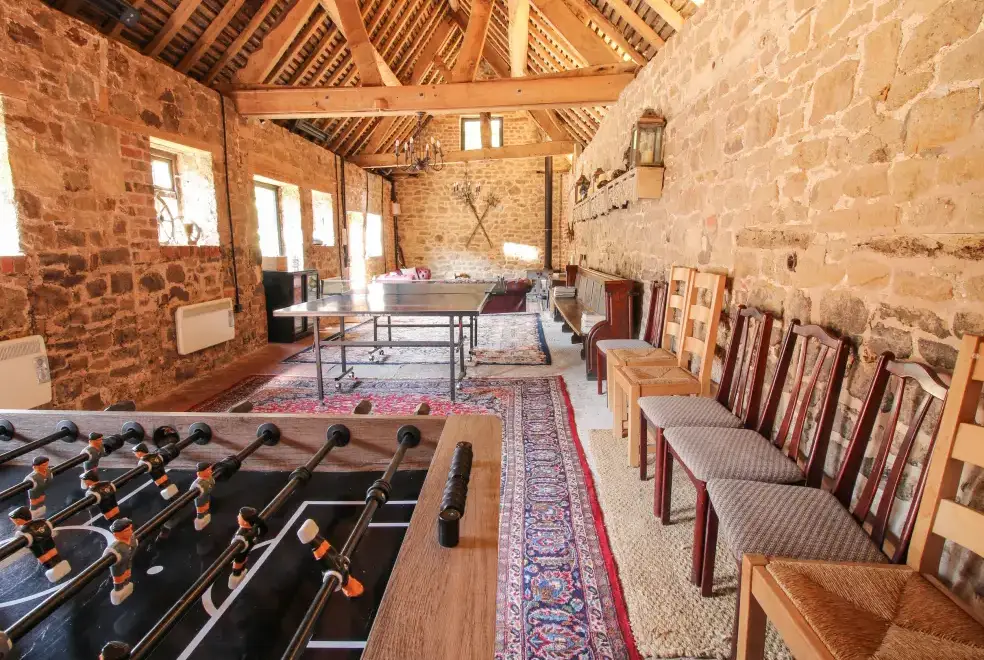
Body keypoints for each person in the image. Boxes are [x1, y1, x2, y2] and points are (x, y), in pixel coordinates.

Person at [296, 519, 363, 598]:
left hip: (339, 572)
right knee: (329, 553)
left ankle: (313, 540)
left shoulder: (347, 582)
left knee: (327, 555)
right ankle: (314, 538)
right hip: (341, 570)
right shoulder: (348, 582)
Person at [8, 506, 71, 582]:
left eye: (13, 520)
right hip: (48, 541)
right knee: (53, 553)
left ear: (18, 520)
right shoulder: (42, 521)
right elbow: (48, 526)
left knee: (46, 558)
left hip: (38, 548)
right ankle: (60, 566)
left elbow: (21, 538)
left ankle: (53, 569)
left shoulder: (23, 531)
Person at [228, 506, 263, 589]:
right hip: (247, 549)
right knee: (243, 561)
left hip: (241, 553)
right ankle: (240, 572)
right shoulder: (254, 528)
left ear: (245, 522)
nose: (237, 517)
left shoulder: (240, 538)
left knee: (238, 565)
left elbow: (234, 549)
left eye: (239, 516)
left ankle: (235, 578)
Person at [105, 517, 138, 605]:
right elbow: (105, 556)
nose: (130, 532)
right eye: (127, 531)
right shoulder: (116, 547)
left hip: (128, 563)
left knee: (127, 575)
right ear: (116, 534)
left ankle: (126, 586)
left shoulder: (131, 539)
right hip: (118, 568)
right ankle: (118, 591)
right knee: (119, 581)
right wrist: (111, 555)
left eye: (130, 529)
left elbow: (134, 546)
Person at [191, 462, 215, 531]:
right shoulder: (197, 483)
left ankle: (206, 516)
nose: (210, 471)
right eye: (208, 470)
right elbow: (191, 490)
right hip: (200, 500)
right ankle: (200, 519)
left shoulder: (210, 478)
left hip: (207, 496)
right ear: (199, 473)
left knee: (206, 507)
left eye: (210, 469)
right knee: (201, 510)